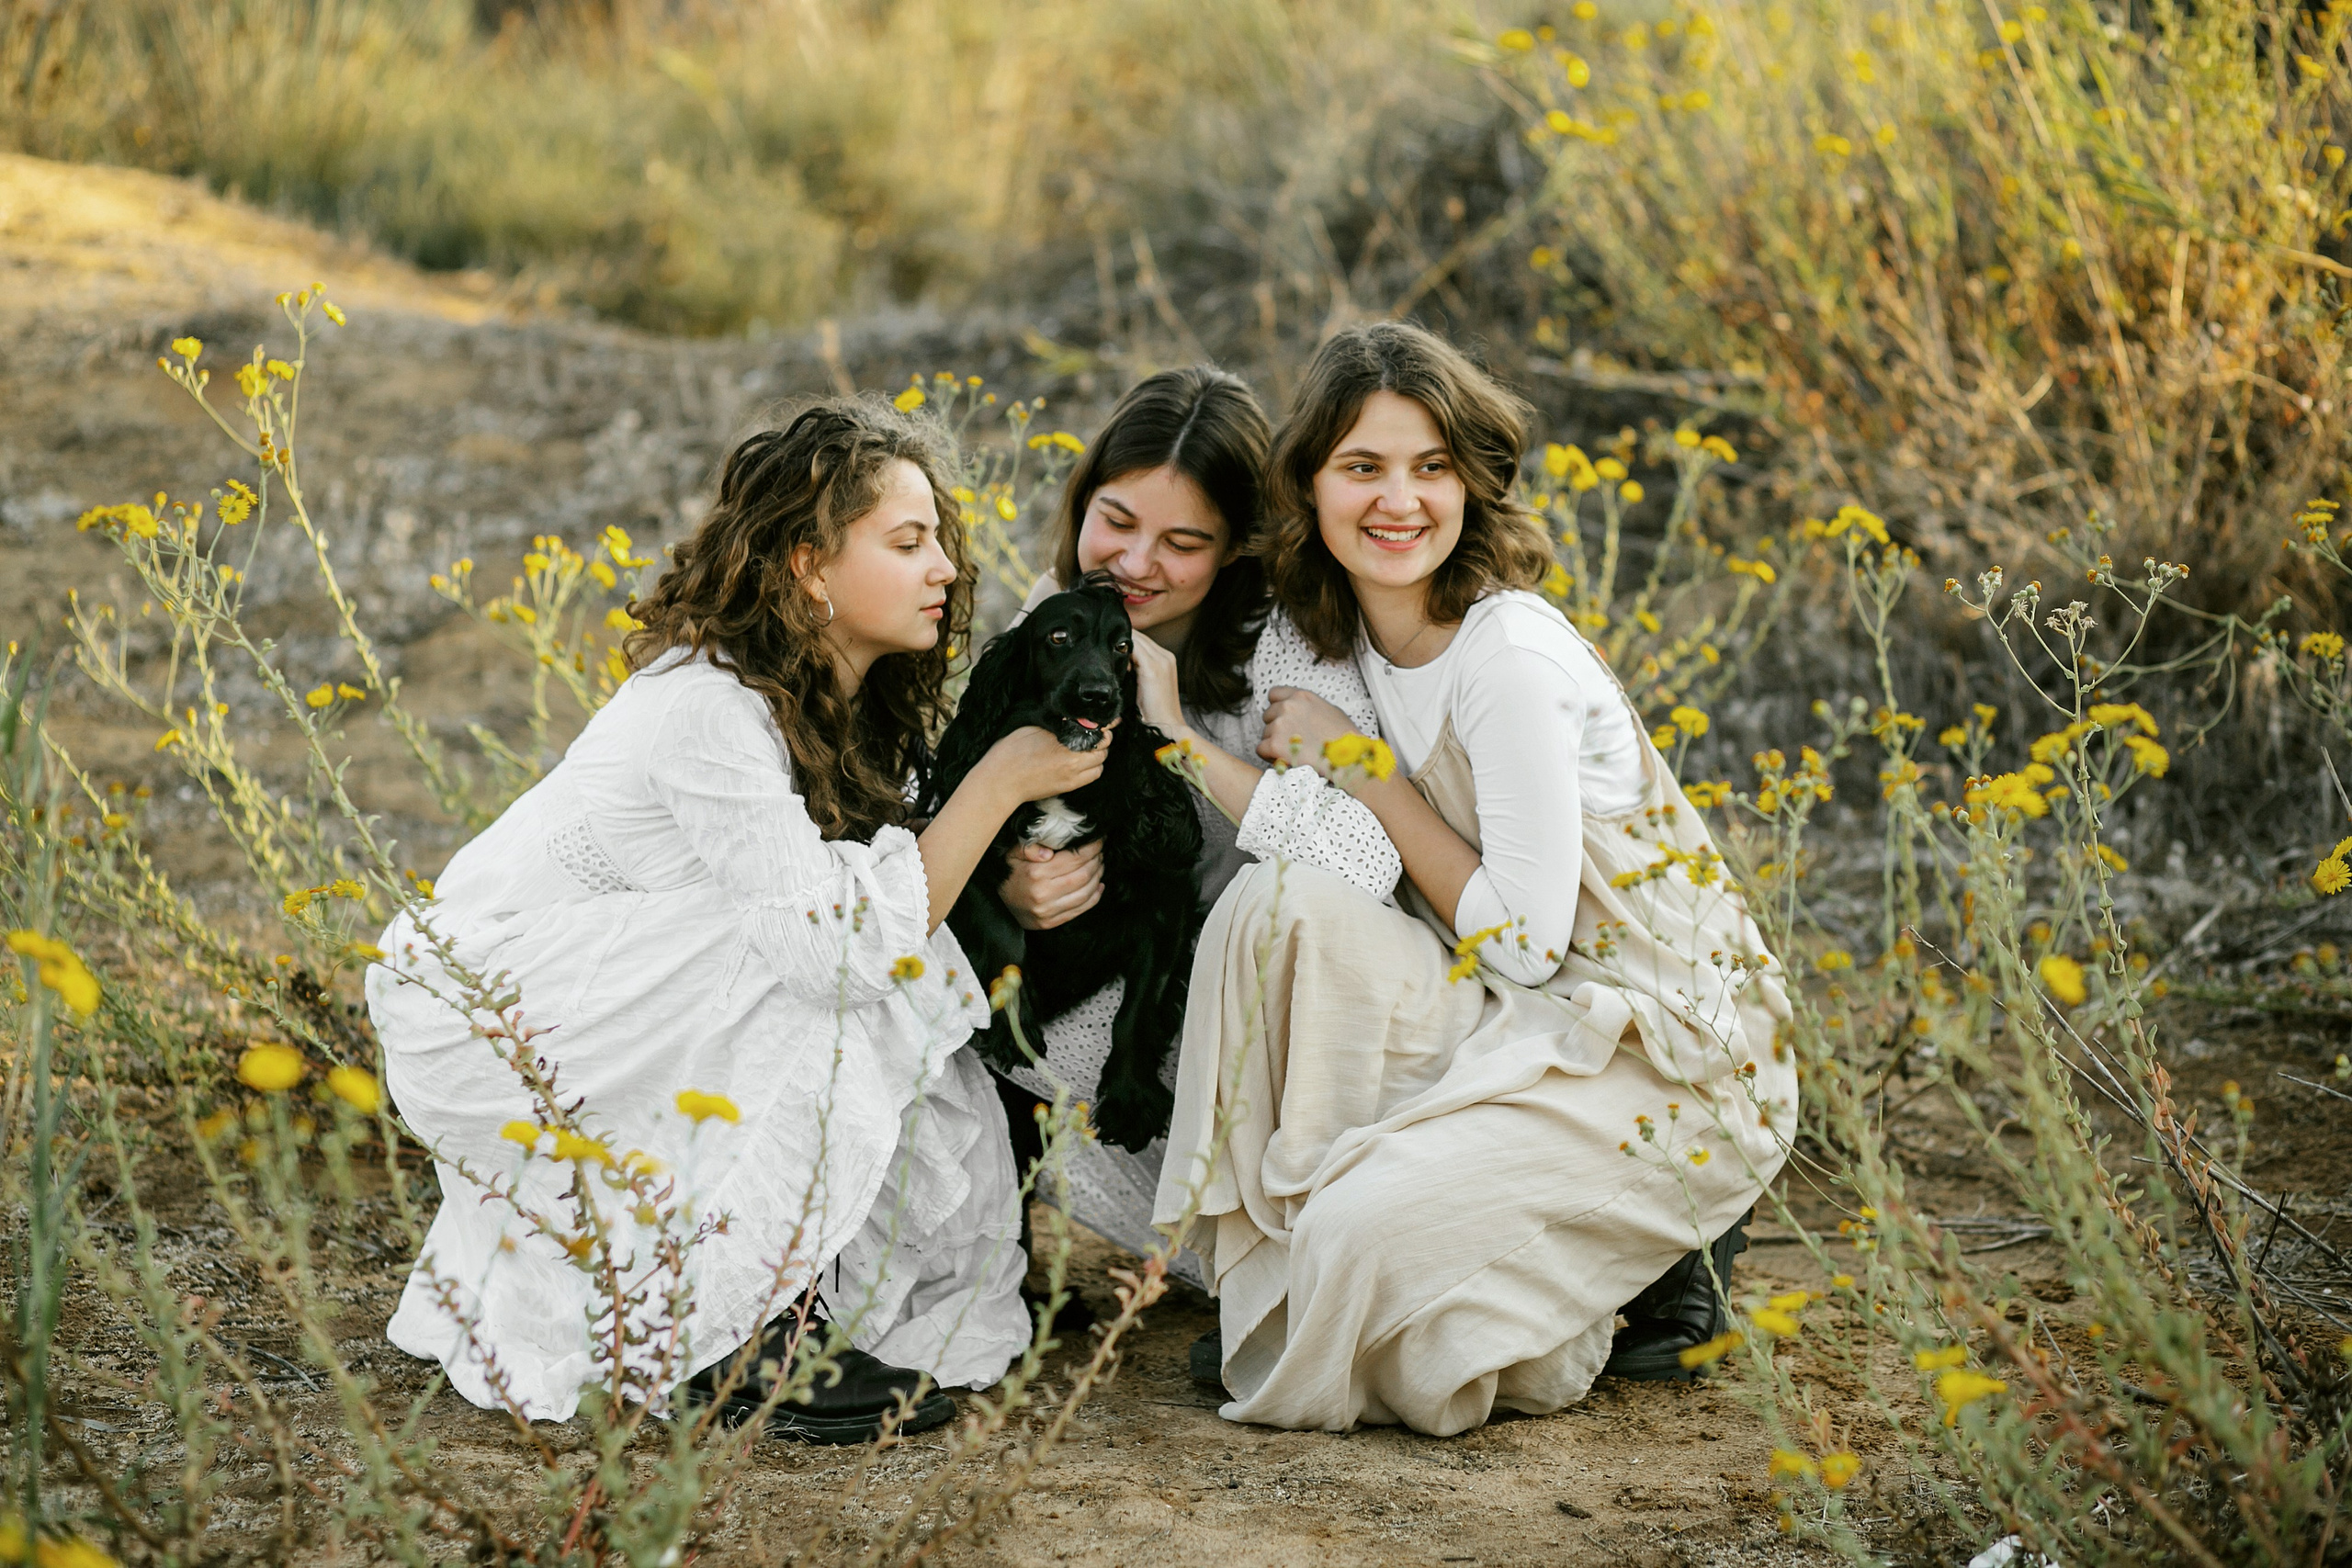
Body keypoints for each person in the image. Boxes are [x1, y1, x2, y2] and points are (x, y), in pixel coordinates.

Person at [367, 400, 1111, 1441]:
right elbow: (833, 950)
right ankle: (737, 1333)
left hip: (623, 999)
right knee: (813, 948)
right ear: (808, 566)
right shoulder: (708, 706)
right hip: (492, 1011)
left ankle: (781, 1286)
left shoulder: (846, 709)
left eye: (940, 540)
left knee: (854, 939)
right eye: (907, 543)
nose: (944, 567)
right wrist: (996, 785)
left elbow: (891, 911)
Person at [1152, 322, 1799, 1436]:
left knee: (1363, 1251)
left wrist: (1364, 771)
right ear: (1310, 488)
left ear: (1472, 486)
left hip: (1664, 1052)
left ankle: (1638, 1264)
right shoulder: (1338, 641)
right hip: (1519, 1019)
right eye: (1362, 467)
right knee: (1275, 907)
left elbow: (1525, 941)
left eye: (1430, 468)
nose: (1397, 501)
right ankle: (1334, 1260)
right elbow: (1329, 860)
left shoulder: (1506, 655)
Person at [992, 367, 1400, 1284]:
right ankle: (987, 1257)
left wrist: (1178, 738)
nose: (1135, 564)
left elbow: (1362, 864)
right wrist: (1013, 878)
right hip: (1148, 986)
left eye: (1183, 542)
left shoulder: (1293, 645)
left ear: (1234, 552)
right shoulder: (1058, 612)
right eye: (1116, 522)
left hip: (1286, 1013)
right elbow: (969, 793)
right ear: (1081, 503)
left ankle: (1294, 1248)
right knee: (969, 976)